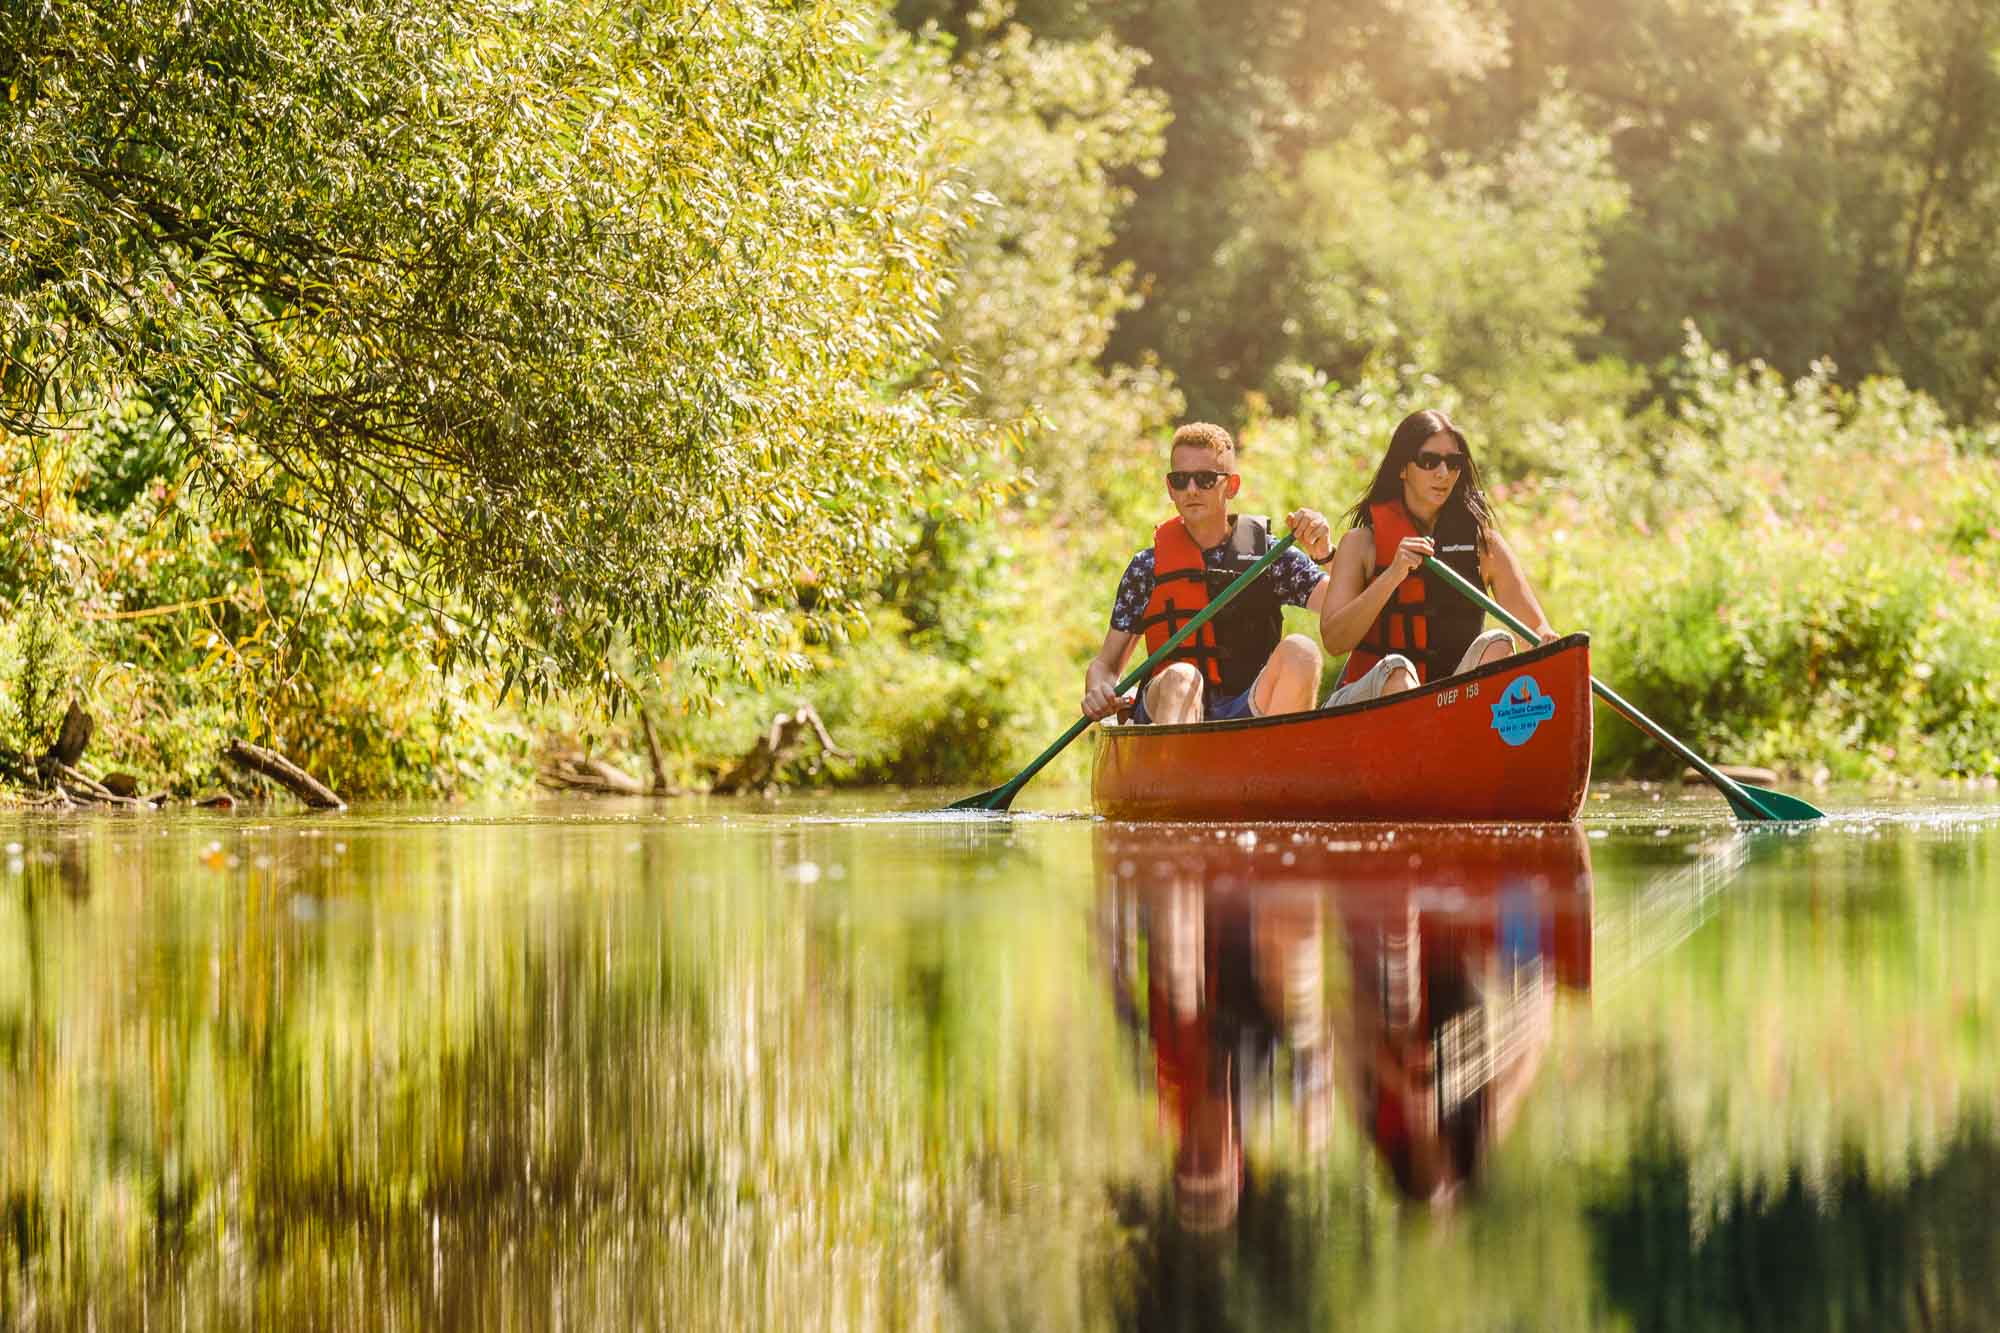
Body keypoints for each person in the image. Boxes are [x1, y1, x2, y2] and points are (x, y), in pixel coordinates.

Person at [1082, 423, 1335, 725]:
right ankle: (1177, 768)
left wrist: (1326, 554)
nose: (1191, 490)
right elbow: (1106, 665)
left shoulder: (1269, 558)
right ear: (1170, 488)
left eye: (1205, 479)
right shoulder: (1147, 567)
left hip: (1248, 705)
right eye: (1180, 480)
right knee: (1181, 676)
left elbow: (1343, 606)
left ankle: (1277, 763)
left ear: (1232, 486)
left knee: (1302, 651)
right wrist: (1098, 689)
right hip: (1170, 703)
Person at [1318, 409, 1557, 705]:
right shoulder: (1360, 544)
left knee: (1498, 645)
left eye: (1453, 463)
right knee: (1398, 672)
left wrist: (1548, 642)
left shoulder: (1485, 547)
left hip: (1445, 707)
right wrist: (1392, 575)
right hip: (1365, 704)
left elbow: (1536, 631)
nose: (1443, 474)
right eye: (1429, 461)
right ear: (1403, 468)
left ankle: (1470, 743)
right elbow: (1334, 641)